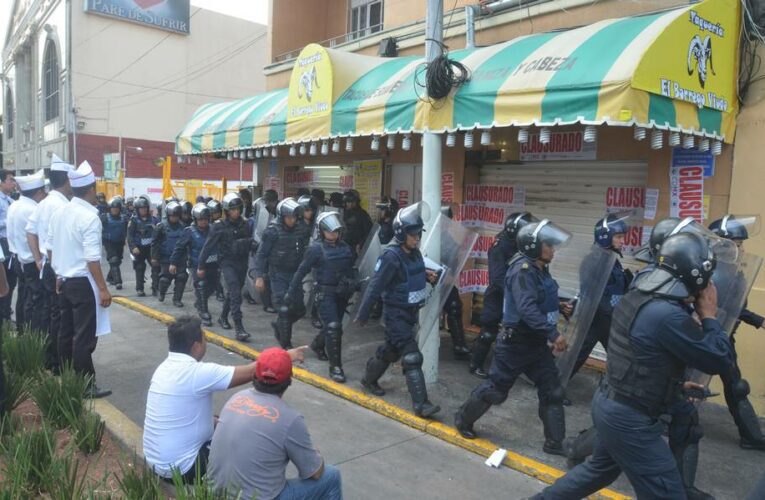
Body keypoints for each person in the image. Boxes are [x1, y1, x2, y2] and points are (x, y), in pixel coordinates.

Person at [535, 232, 734, 499]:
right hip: (630, 418)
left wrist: (671, 383)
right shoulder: (667, 314)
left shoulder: (642, 294)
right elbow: (719, 359)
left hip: (613, 401)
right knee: (667, 493)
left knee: (598, 471)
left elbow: (641, 357)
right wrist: (709, 316)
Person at [455, 219, 572, 455]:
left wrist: (559, 306)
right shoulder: (523, 270)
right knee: (496, 390)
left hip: (536, 345)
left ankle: (555, 443)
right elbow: (526, 307)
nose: (553, 249)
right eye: (548, 245)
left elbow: (536, 299)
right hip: (516, 344)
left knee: (553, 391)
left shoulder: (539, 268)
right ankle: (463, 418)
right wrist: (553, 333)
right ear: (533, 247)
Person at [142, 316, 305, 483]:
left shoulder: (163, 369)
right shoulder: (196, 373)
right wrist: (286, 356)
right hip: (183, 470)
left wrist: (210, 421)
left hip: (156, 464)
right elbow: (251, 371)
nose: (206, 343)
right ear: (196, 346)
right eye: (205, 339)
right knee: (243, 436)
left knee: (221, 421)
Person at [207, 347, 342, 500]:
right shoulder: (290, 419)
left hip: (214, 493)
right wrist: (316, 456)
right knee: (331, 476)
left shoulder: (237, 397)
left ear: (255, 375)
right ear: (289, 380)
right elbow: (315, 473)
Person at [355, 204, 441, 418]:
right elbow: (376, 286)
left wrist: (427, 276)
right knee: (412, 357)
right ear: (402, 234)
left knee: (391, 351)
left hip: (411, 312)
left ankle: (368, 379)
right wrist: (363, 314)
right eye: (413, 235)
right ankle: (422, 404)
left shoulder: (414, 253)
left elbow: (409, 276)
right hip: (396, 315)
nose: (417, 238)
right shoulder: (390, 256)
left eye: (419, 234)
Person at [48, 161, 112, 398]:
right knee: (84, 337)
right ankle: (86, 385)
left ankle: (67, 377)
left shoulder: (60, 212)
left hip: (64, 280)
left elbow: (50, 248)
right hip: (83, 282)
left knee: (66, 332)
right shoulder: (89, 217)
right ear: (92, 189)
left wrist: (58, 273)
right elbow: (92, 260)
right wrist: (104, 289)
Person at [708, 214, 765, 450]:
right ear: (723, 246)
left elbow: (735, 308)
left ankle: (751, 436)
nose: (742, 250)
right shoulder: (712, 273)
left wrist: (758, 320)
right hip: (702, 336)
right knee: (684, 384)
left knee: (736, 386)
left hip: (724, 336)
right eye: (738, 245)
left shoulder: (734, 272)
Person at [287, 212, 356, 382]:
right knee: (333, 327)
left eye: (336, 231)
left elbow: (351, 269)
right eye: (330, 231)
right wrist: (291, 291)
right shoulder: (315, 248)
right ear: (321, 231)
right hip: (325, 293)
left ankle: (318, 345)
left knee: (335, 326)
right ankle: (336, 367)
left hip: (341, 293)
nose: (333, 234)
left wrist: (353, 283)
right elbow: (302, 270)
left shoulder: (345, 247)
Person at [470, 212, 534, 378]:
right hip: (499, 295)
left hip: (515, 294)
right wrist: (515, 296)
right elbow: (497, 278)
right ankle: (475, 364)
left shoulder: (520, 244)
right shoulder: (500, 247)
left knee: (521, 331)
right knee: (489, 331)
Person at [569, 213, 631, 379]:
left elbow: (615, 289)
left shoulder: (610, 258)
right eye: (618, 237)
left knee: (616, 355)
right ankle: (554, 388)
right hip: (597, 318)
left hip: (607, 318)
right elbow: (595, 295)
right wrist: (616, 314)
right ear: (605, 237)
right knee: (578, 355)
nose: (622, 241)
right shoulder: (594, 261)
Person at [26, 155, 73, 371]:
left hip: (46, 266)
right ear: (66, 181)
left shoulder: (45, 203)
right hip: (57, 268)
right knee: (61, 317)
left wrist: (38, 258)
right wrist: (58, 271)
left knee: (49, 312)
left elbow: (30, 231)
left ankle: (49, 357)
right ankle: (57, 362)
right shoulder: (61, 206)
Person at [198, 193, 252, 341]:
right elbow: (207, 247)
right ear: (227, 210)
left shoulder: (245, 224)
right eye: (233, 209)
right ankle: (239, 327)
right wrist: (201, 265)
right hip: (227, 263)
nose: (236, 212)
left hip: (242, 262)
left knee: (233, 293)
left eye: (238, 209)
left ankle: (223, 317)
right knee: (235, 292)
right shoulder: (219, 226)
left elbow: (250, 241)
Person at [255, 198, 308, 349]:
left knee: (299, 309)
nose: (292, 220)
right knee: (284, 307)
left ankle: (280, 325)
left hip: (295, 274)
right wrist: (259, 276)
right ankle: (286, 343)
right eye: (289, 217)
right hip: (278, 274)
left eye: (294, 217)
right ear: (282, 216)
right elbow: (262, 254)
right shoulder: (272, 231)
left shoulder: (300, 229)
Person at [7, 170, 46, 333]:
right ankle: (33, 335)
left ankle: (23, 331)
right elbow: (39, 239)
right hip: (31, 262)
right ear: (38, 192)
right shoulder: (33, 210)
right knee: (37, 301)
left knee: (23, 297)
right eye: (43, 191)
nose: (44, 194)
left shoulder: (14, 205)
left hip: (17, 259)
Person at [170, 203, 217, 326]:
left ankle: (200, 302)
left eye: (205, 219)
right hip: (195, 265)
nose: (203, 222)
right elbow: (179, 247)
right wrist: (173, 263)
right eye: (200, 219)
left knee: (212, 287)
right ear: (195, 219)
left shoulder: (213, 229)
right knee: (201, 285)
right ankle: (203, 311)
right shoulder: (189, 231)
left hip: (212, 264)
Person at [152, 201, 188, 307]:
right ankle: (161, 292)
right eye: (172, 216)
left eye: (177, 216)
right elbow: (155, 243)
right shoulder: (161, 226)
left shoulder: (183, 227)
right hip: (166, 257)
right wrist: (154, 257)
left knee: (181, 277)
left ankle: (177, 299)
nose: (175, 218)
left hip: (180, 258)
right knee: (165, 278)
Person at [128, 196, 160, 297]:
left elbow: (159, 235)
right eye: (141, 208)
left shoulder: (154, 220)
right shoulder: (133, 221)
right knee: (140, 267)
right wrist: (133, 247)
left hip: (151, 249)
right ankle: (140, 289)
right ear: (137, 209)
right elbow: (130, 236)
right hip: (139, 249)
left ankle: (156, 288)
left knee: (156, 266)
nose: (144, 210)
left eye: (145, 208)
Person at [0, 170, 18, 326]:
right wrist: (8, 221)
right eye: (10, 180)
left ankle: (6, 313)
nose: (13, 183)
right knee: (3, 282)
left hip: (11, 246)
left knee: (11, 282)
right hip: (2, 244)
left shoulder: (10, 200)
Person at [100, 197, 128, 291]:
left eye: (117, 208)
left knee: (118, 261)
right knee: (114, 260)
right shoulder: (104, 217)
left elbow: (128, 229)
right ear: (110, 208)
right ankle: (118, 282)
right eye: (113, 208)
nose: (115, 210)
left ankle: (110, 277)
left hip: (120, 242)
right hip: (109, 242)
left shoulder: (124, 218)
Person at [341, 189, 373, 256]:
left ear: (355, 202)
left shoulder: (362, 215)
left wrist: (361, 244)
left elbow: (369, 232)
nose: (347, 204)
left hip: (355, 249)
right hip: (343, 246)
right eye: (346, 202)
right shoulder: (344, 212)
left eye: (349, 202)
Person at [206, 198, 226, 302]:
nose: (216, 215)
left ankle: (220, 292)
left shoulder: (222, 223)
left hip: (220, 252)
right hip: (208, 253)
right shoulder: (205, 224)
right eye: (214, 213)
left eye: (218, 213)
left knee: (218, 274)